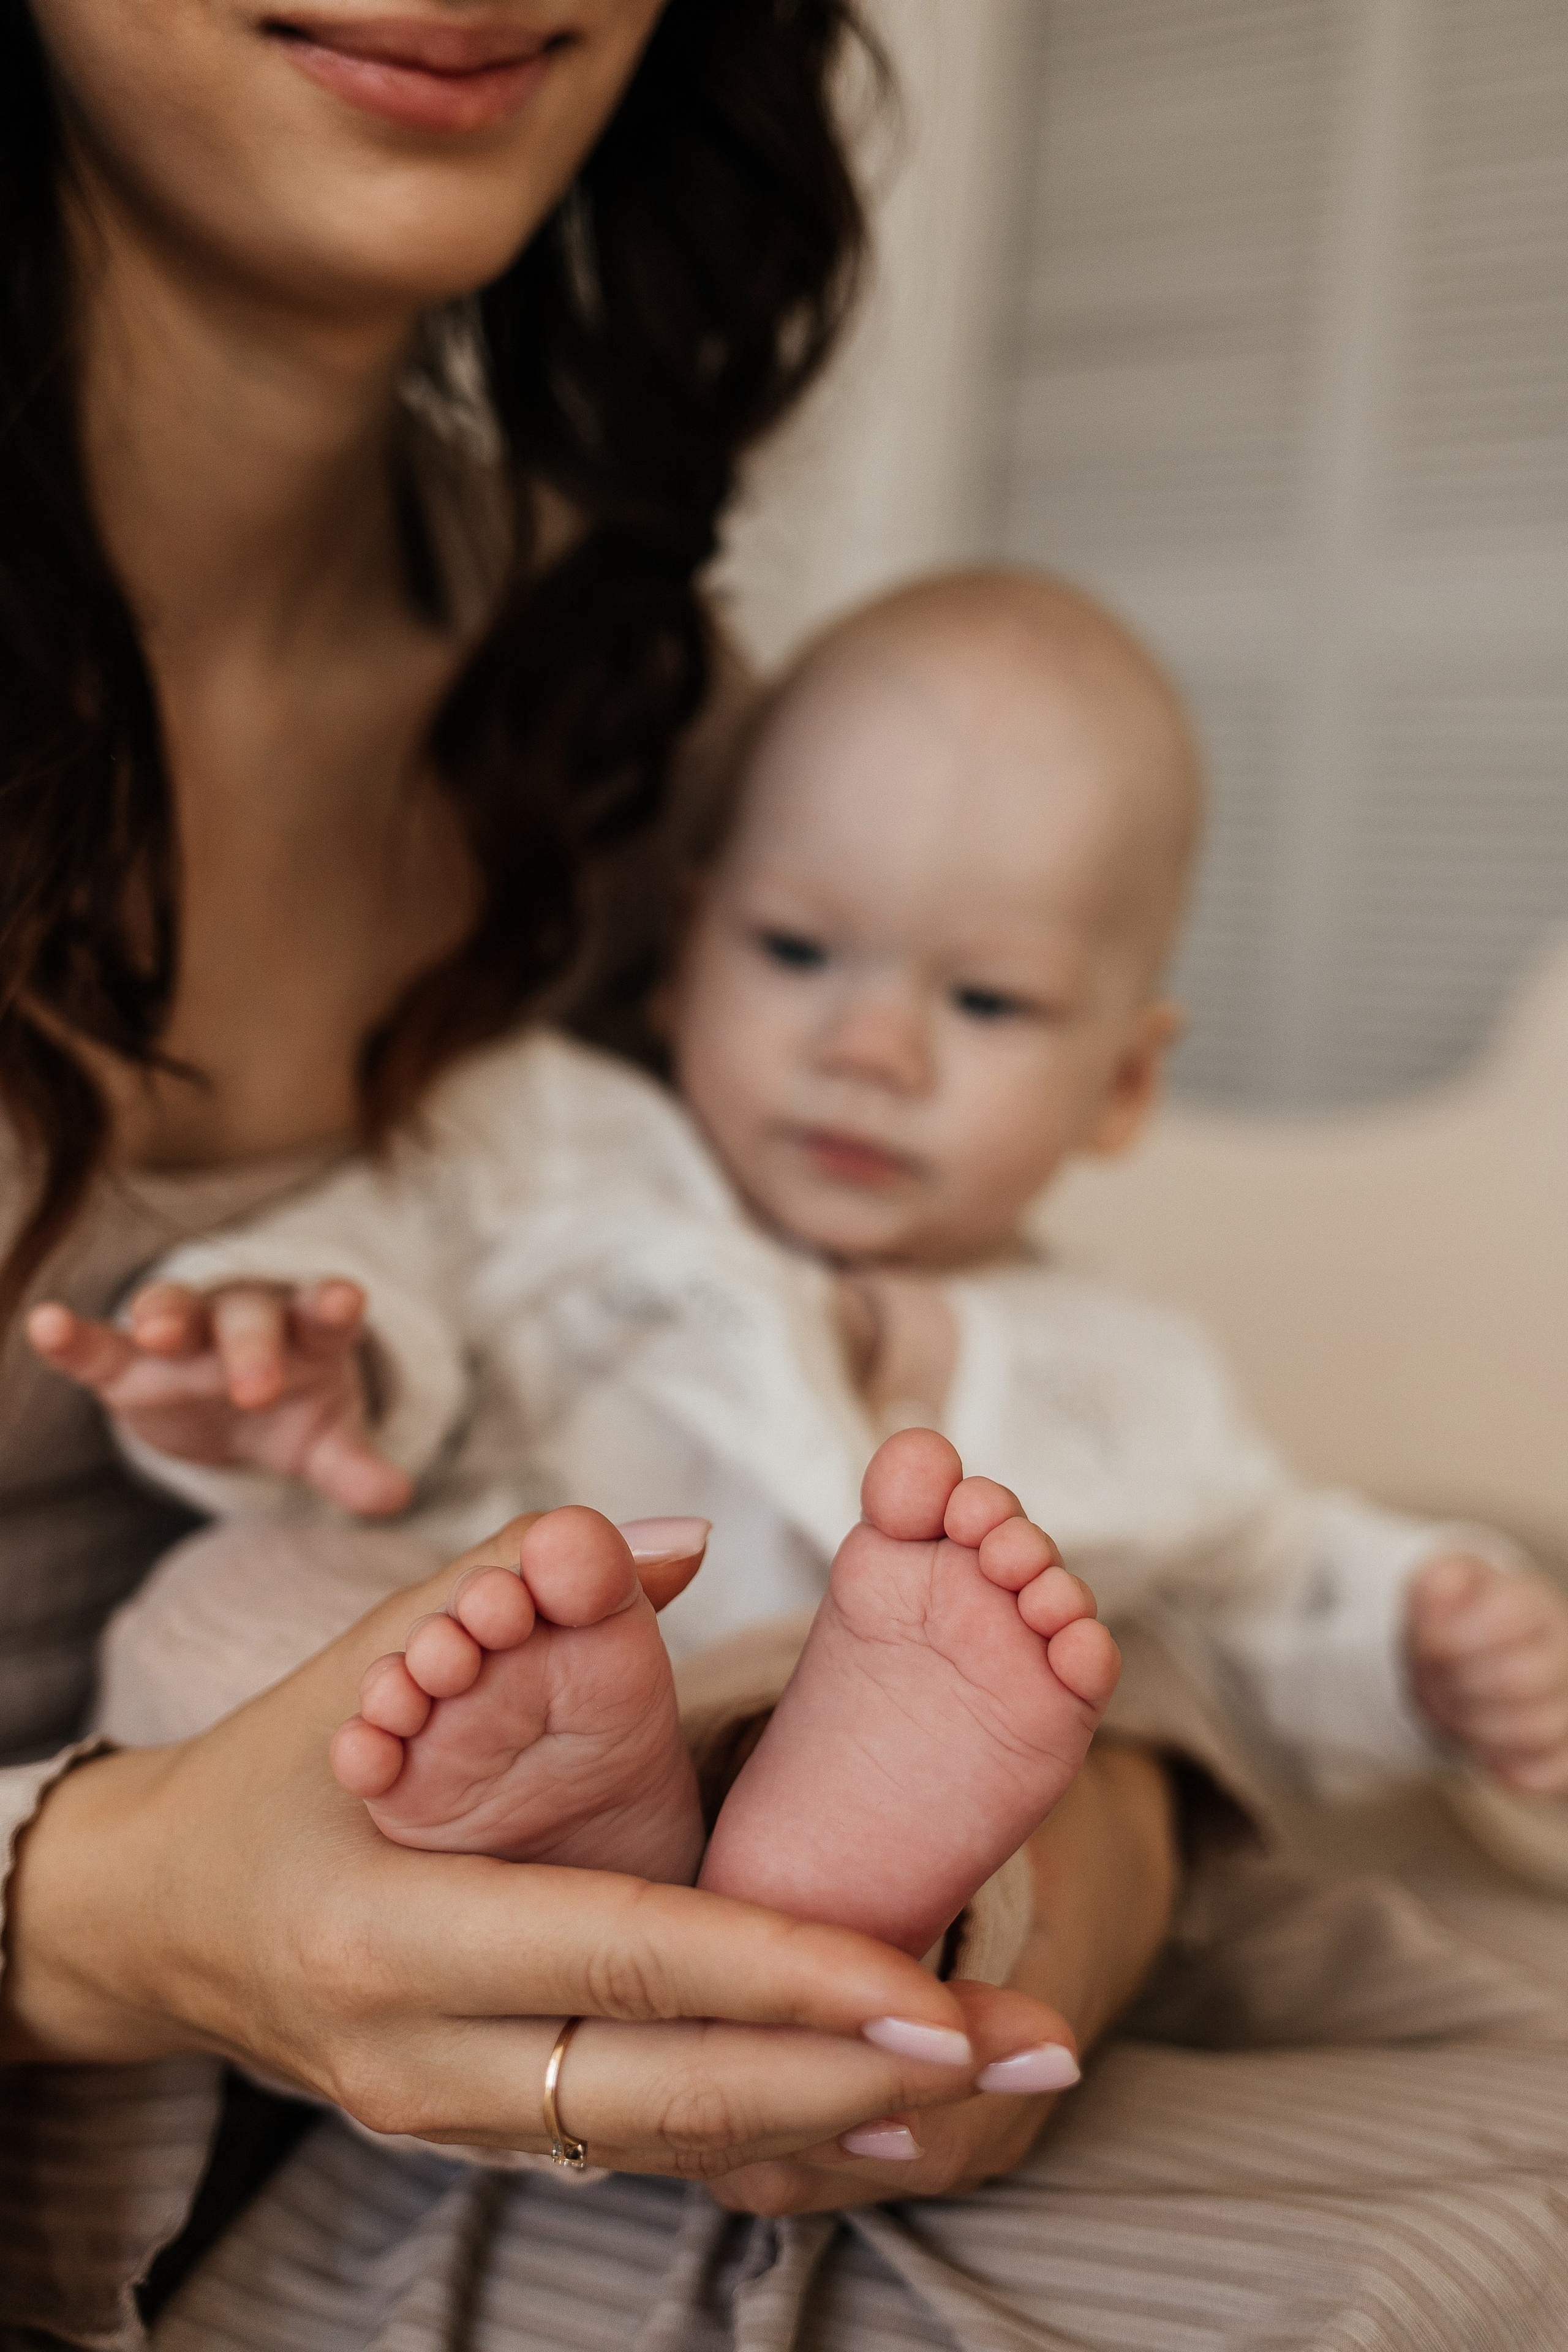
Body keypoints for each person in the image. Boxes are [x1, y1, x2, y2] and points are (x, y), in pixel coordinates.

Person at [4, 0, 1566, 2333]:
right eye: (814, 956)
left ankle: (747, 1864)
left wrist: (1022, 1903)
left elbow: (1105, 1522)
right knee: (303, 1630)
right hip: (149, 1984)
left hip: (708, 1920)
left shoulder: (643, 715)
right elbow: (445, 1297)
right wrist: (110, 1896)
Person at [55, 574, 1568, 1871]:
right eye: (792, 950)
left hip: (785, 1748)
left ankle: (807, 1851)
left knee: (953, 1695)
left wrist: (1417, 1638)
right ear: (679, 958)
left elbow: (1258, 1580)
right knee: (222, 1612)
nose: (869, 1050)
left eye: (980, 999)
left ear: (1119, 1082)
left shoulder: (1118, 1372)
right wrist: (300, 1359)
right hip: (458, 1688)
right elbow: (381, 1251)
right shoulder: (552, 1133)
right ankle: (573, 1820)